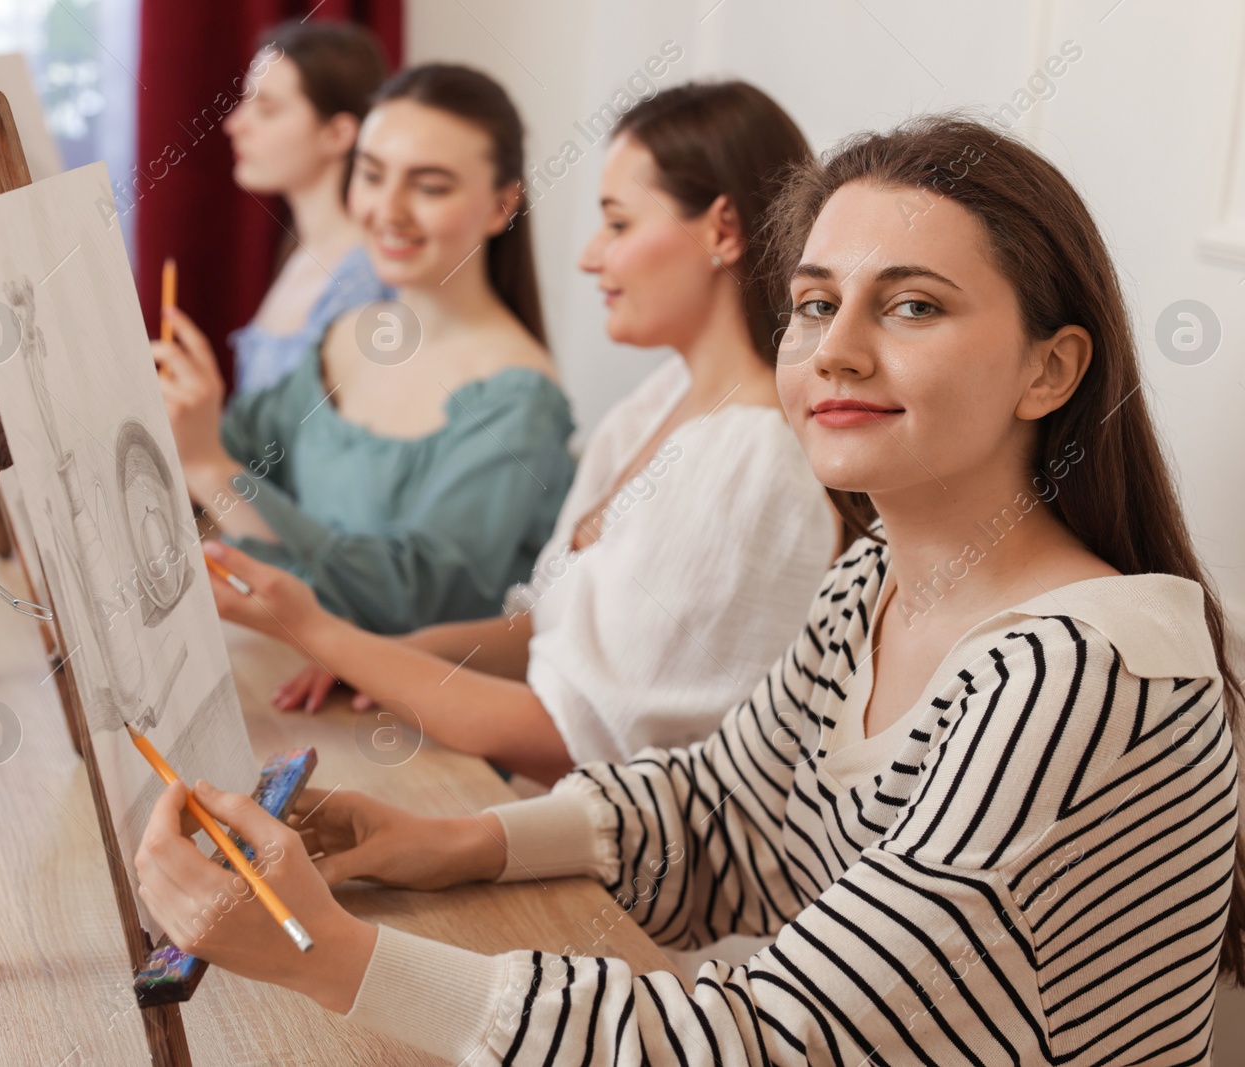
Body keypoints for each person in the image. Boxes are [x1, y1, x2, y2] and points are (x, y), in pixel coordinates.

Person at [135, 113, 1245, 1065]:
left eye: (912, 304)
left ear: (1051, 368)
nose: (833, 348)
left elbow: (777, 1043)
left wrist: (319, 951)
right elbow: (718, 808)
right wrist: (443, 838)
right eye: (817, 303)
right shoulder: (878, 575)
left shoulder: (1074, 674)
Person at [251, 81, 842, 786]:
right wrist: (388, 657)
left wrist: (325, 632)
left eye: (618, 225)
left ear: (722, 230)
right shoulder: (656, 403)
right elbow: (545, 628)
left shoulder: (754, 460)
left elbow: (576, 739)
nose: (591, 256)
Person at [155, 64, 576, 634]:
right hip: (289, 670)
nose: (389, 210)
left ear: (503, 206)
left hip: (396, 716)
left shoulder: (518, 396)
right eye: (372, 175)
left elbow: (414, 603)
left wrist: (207, 466)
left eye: (430, 187)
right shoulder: (345, 335)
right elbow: (236, 455)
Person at [222, 19, 395, 395]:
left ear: (337, 134)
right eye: (244, 102)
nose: (235, 124)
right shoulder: (303, 252)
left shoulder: (363, 280)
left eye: (265, 109)